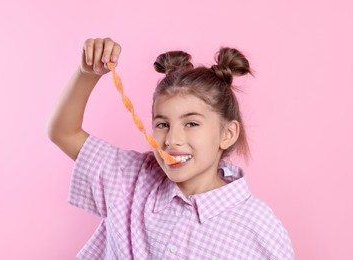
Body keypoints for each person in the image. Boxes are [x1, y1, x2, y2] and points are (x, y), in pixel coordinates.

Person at [48, 37, 295, 259]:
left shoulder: (259, 228)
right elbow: (63, 132)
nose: (172, 139)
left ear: (227, 134)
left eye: (191, 123)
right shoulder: (132, 178)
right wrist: (87, 73)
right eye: (163, 124)